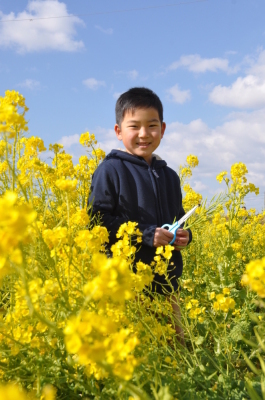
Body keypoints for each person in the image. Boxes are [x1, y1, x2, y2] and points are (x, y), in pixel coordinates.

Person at [89, 87, 192, 343]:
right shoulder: (110, 170)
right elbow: (97, 221)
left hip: (166, 283)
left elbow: (178, 217)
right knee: (133, 355)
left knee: (175, 350)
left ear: (163, 129)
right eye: (134, 126)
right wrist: (146, 234)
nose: (144, 134)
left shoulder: (169, 176)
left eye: (152, 125)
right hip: (127, 285)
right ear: (118, 131)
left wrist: (184, 236)